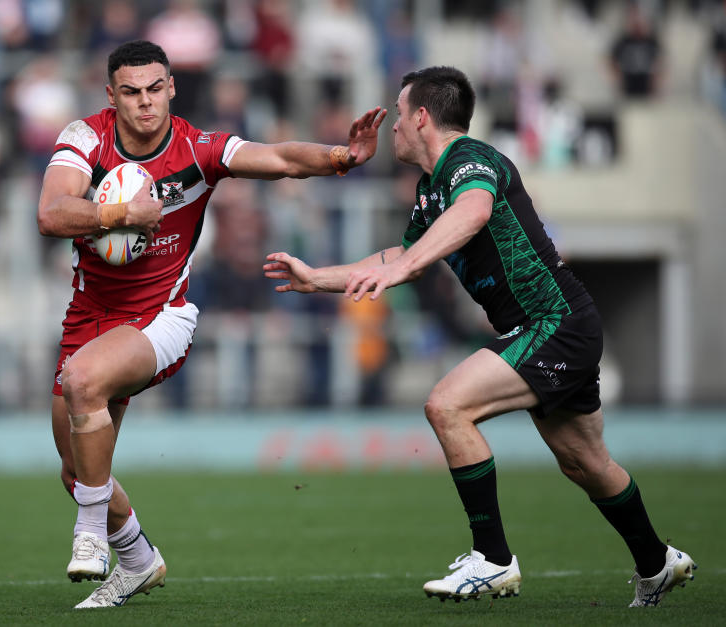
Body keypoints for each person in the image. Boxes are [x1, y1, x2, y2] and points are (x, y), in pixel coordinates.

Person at [264, 65, 695, 607]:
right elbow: (403, 257)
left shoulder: (470, 161)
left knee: (447, 405)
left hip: (553, 323)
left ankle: (492, 559)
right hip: (555, 327)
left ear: (422, 117)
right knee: (585, 462)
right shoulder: (430, 187)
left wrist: (404, 268)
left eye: (399, 116)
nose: (393, 128)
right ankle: (657, 563)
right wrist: (316, 279)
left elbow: (474, 211)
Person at [36, 39, 386, 609]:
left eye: (155, 89)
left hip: (160, 318)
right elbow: (51, 214)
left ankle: (91, 537)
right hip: (88, 316)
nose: (145, 103)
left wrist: (339, 157)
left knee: (81, 384)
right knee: (76, 473)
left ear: (171, 87)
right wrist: (123, 213)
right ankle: (139, 560)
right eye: (131, 92)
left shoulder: (199, 149)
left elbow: (278, 159)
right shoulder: (84, 138)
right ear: (111, 95)